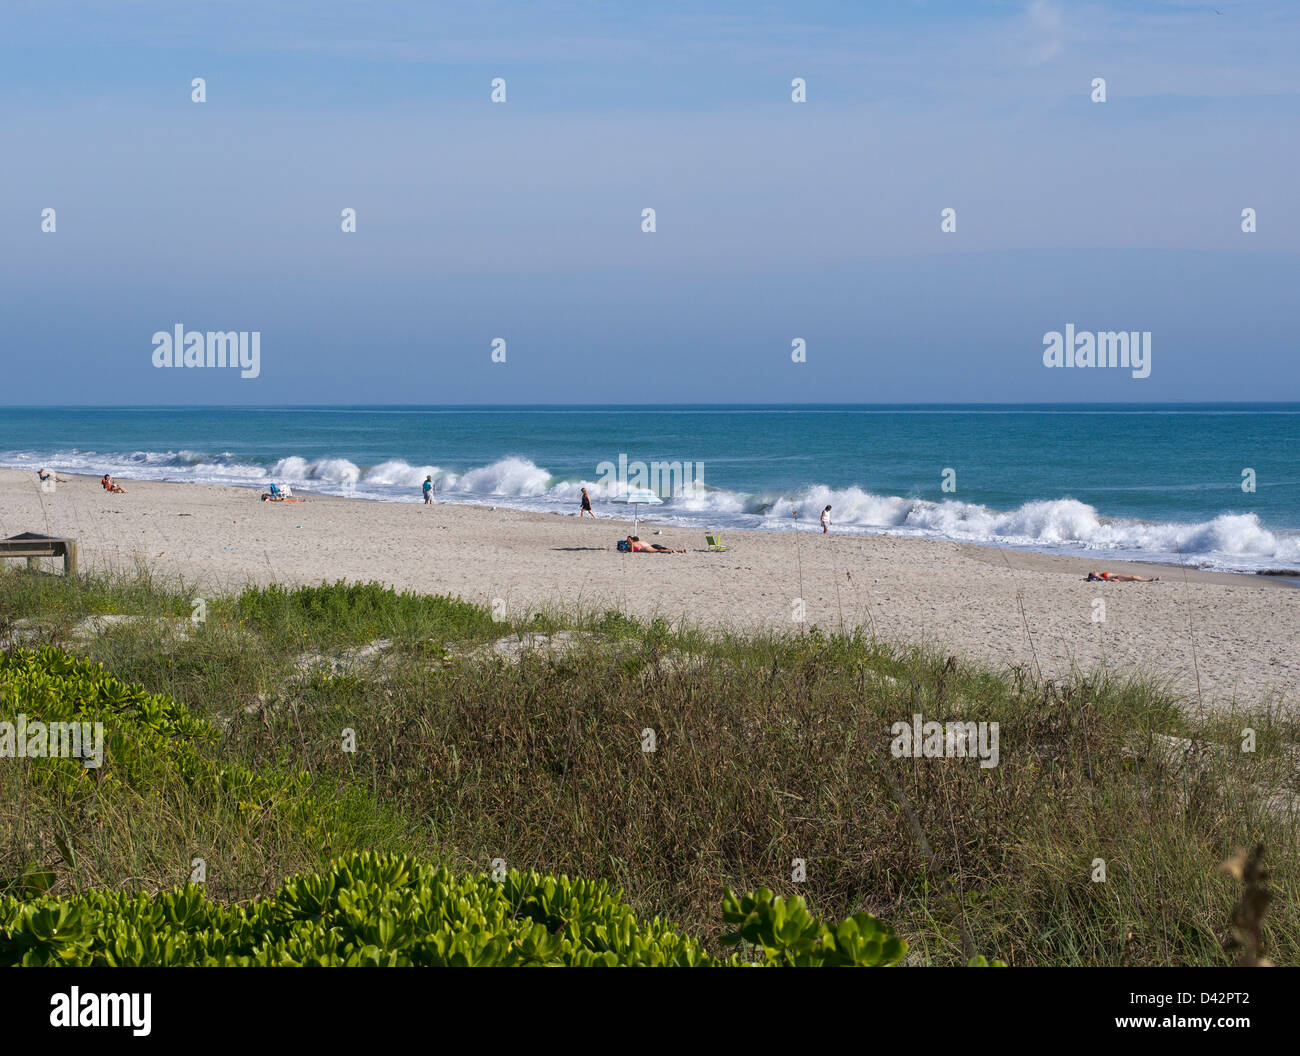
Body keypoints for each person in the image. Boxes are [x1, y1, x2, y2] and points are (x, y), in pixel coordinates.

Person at [1086, 570, 1158, 582]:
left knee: (1134, 577)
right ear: (1094, 576)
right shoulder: (1100, 577)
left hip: (1118, 576)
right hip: (1118, 577)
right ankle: (1149, 580)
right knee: (1133, 577)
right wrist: (1113, 580)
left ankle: (1146, 580)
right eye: (1093, 572)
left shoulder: (1101, 575)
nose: (1094, 571)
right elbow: (1106, 579)